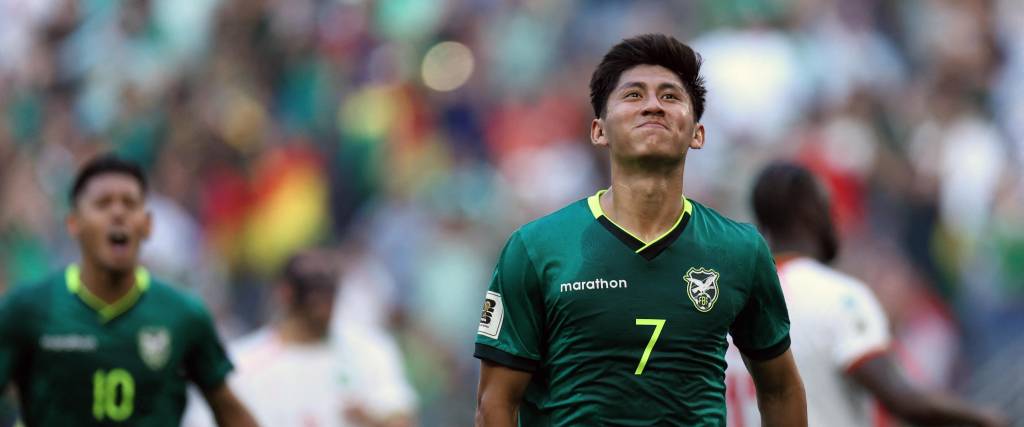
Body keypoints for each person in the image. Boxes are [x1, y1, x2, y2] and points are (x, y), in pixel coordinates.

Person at [474, 34, 807, 426]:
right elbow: (495, 403)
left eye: (670, 96)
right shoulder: (535, 248)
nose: (653, 105)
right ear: (599, 130)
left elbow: (781, 388)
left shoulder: (739, 250)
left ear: (697, 133)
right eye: (633, 96)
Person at [724, 162, 1008, 427]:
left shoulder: (729, 309)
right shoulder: (837, 296)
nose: (835, 216)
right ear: (810, 211)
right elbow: (904, 401)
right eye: (828, 203)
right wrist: (987, 419)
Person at [0, 154, 258, 426]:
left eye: (129, 203)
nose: (118, 213)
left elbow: (230, 411)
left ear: (147, 224)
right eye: (103, 204)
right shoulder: (27, 309)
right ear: (74, 224)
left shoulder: (183, 315)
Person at [184, 248, 417, 427]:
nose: (323, 307)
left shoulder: (369, 351)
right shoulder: (240, 365)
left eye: (328, 293)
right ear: (285, 293)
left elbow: (401, 415)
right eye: (314, 294)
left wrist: (371, 419)